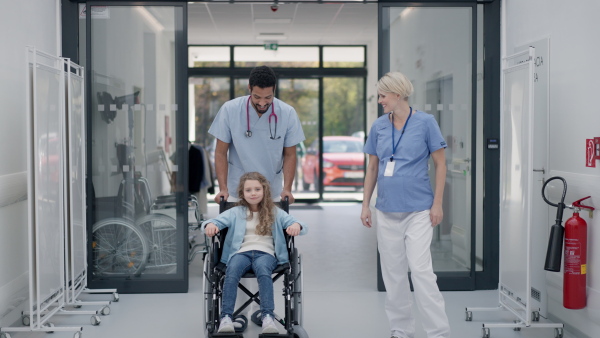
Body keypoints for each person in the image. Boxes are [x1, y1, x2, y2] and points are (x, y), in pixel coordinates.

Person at [360, 72, 450, 338]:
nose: (380, 101)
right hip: (387, 210)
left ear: (397, 94)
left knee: (421, 271)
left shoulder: (425, 123)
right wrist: (366, 204)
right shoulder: (378, 126)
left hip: (419, 210)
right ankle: (401, 329)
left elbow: (441, 164)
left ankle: (438, 332)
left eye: (383, 96)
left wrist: (438, 204)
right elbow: (373, 167)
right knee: (393, 274)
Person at [202, 172, 308, 334]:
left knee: (264, 272)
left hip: (266, 254)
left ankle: (267, 317)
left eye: (257, 189)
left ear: (264, 191)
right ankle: (226, 318)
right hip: (240, 253)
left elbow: (299, 224)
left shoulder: (274, 212)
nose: (253, 193)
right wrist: (210, 225)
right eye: (249, 190)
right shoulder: (235, 212)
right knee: (231, 271)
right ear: (242, 193)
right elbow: (212, 222)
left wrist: (296, 226)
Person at [208, 66, 305, 204]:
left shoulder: (287, 113)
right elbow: (220, 152)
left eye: (268, 97)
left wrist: (287, 189)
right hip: (237, 190)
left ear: (274, 89)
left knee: (271, 226)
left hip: (272, 190)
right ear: (249, 88)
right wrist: (223, 189)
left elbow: (290, 154)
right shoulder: (230, 110)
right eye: (257, 97)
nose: (262, 103)